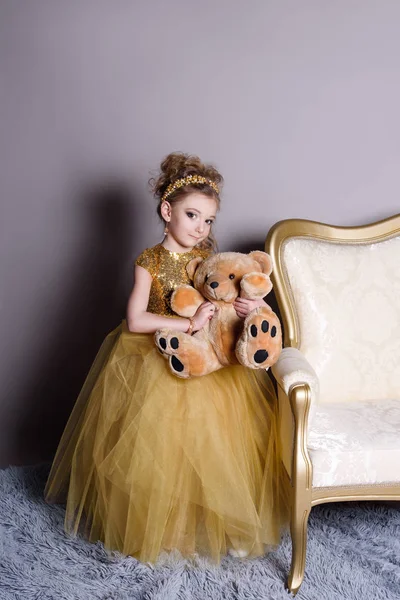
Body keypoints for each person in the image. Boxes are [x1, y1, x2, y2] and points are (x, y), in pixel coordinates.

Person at [45, 152, 287, 563]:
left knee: (214, 443)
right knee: (160, 447)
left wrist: (243, 309)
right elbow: (135, 319)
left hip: (207, 361)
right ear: (166, 210)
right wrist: (187, 323)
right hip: (155, 358)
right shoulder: (150, 261)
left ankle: (218, 519)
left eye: (208, 220)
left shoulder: (204, 260)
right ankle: (165, 525)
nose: (200, 228)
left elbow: (221, 295)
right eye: (192, 215)